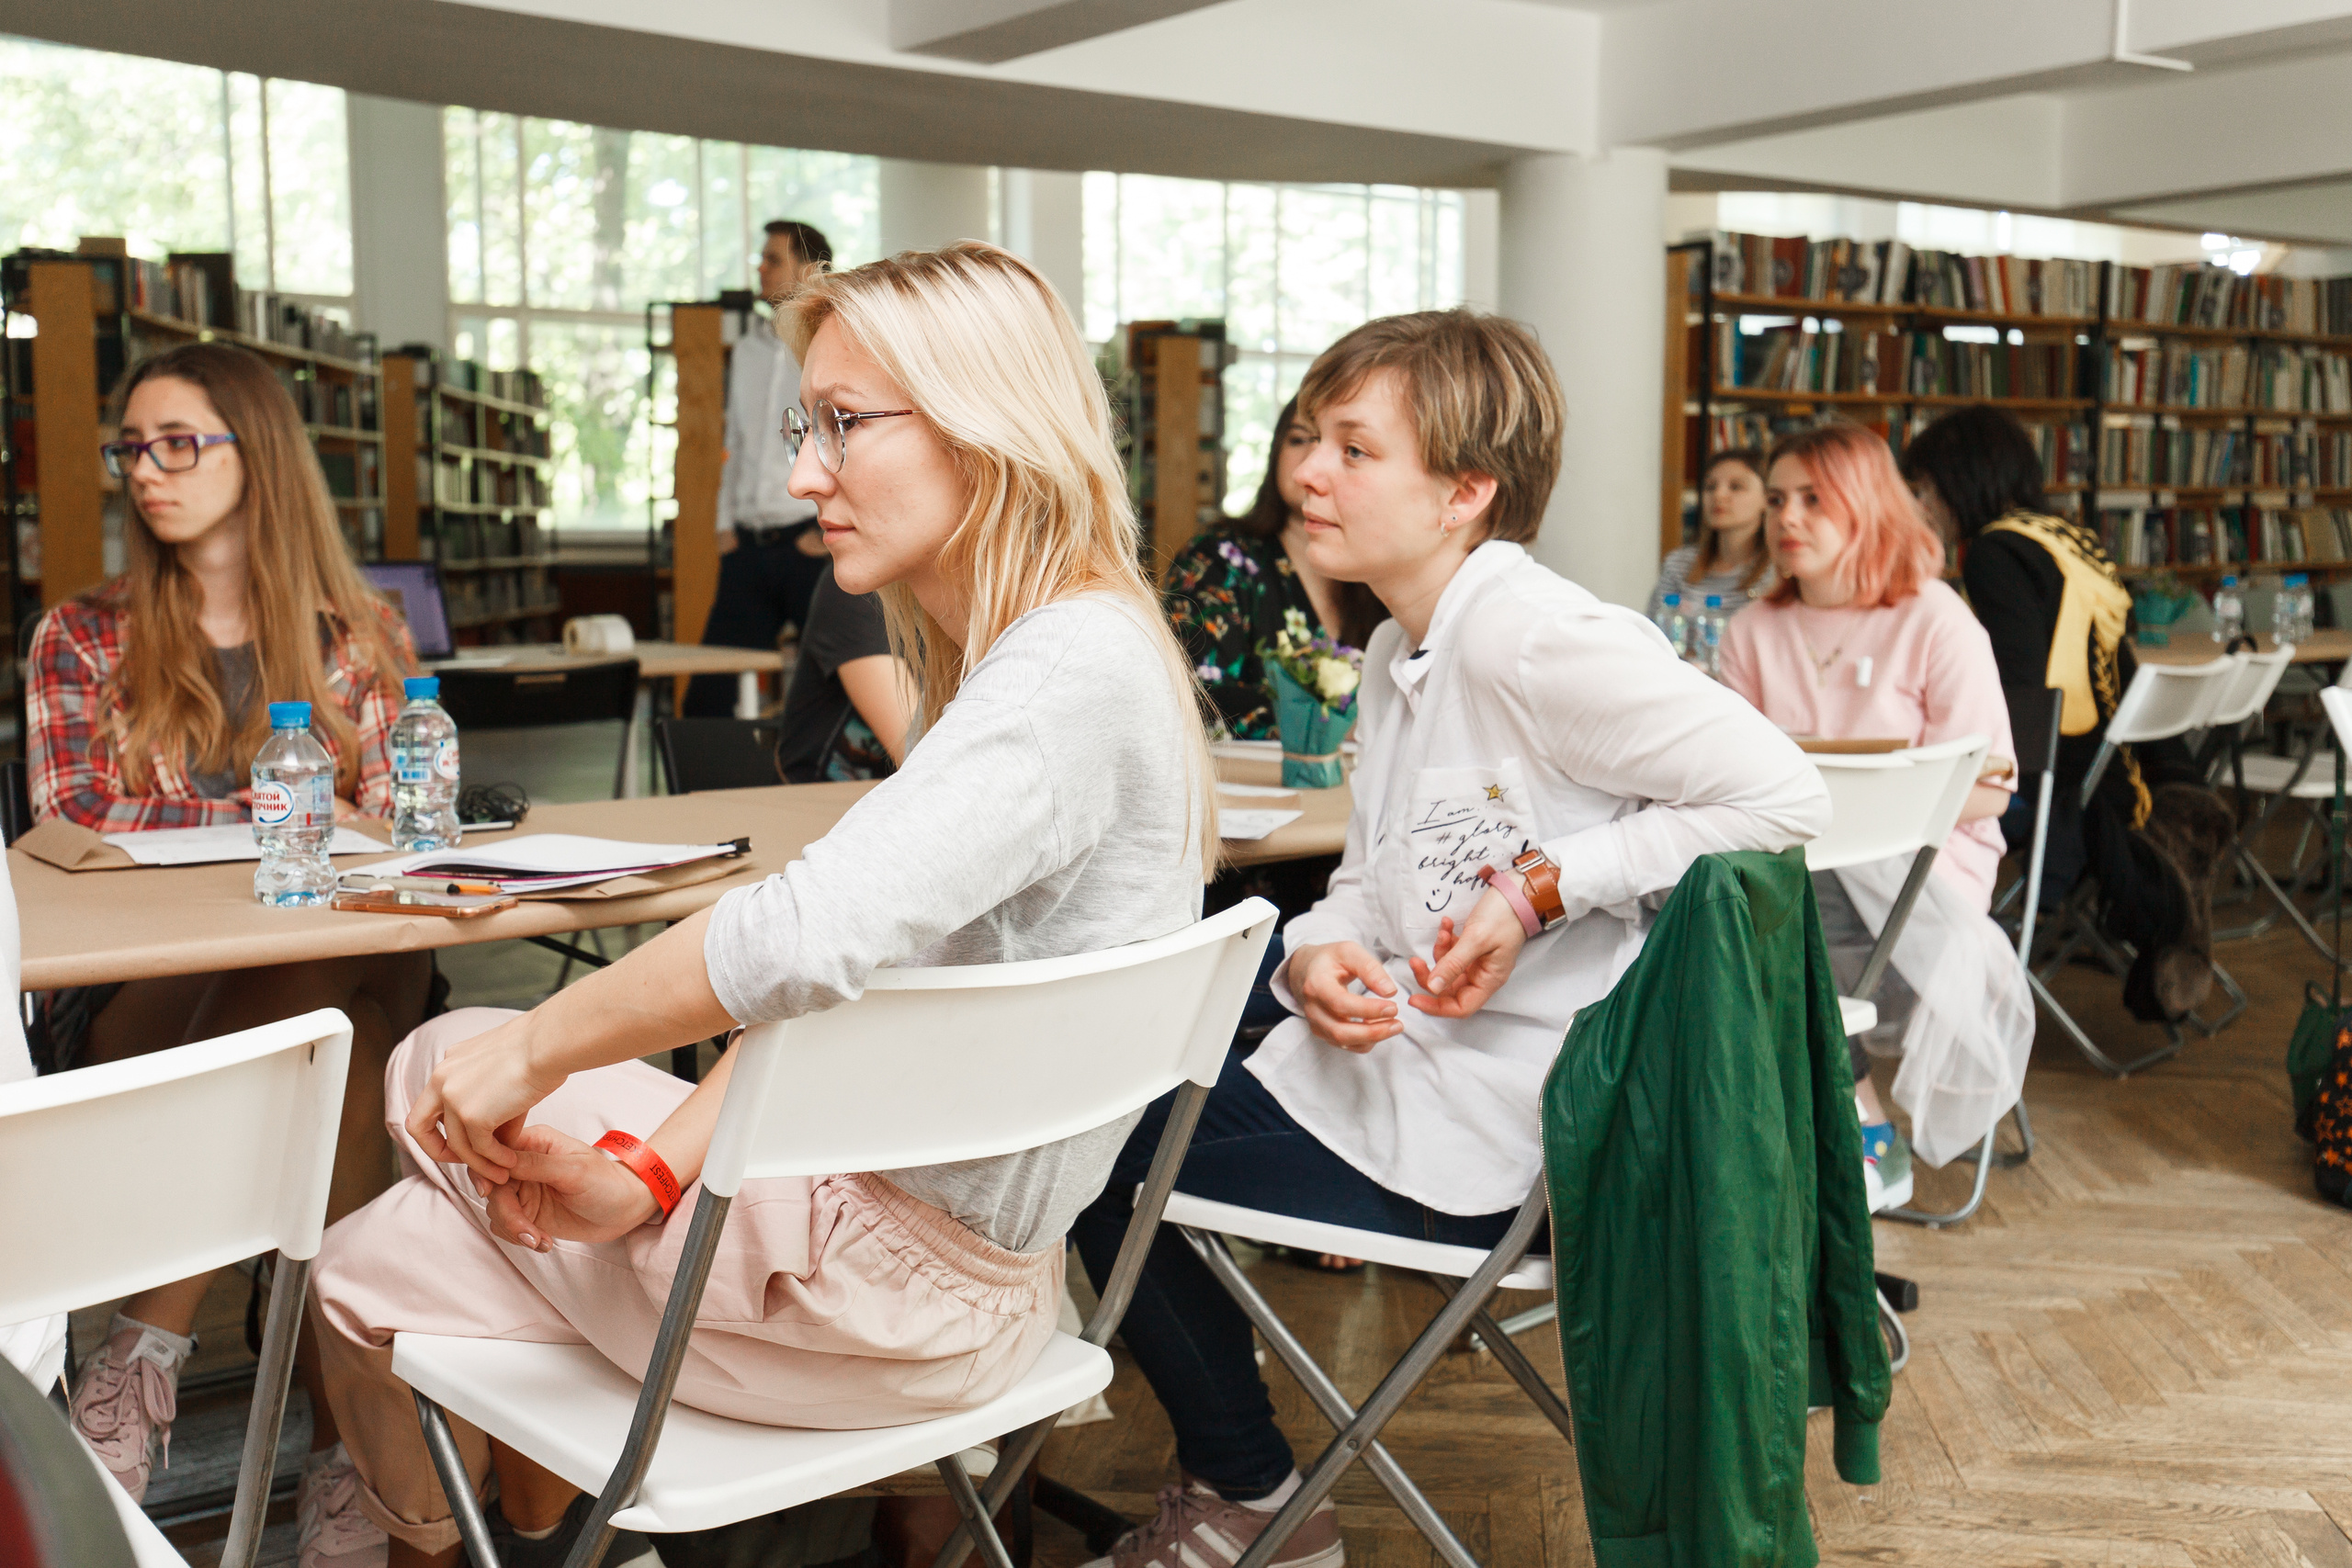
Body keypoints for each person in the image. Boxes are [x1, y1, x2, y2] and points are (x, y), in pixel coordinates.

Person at [301, 242, 1219, 1568]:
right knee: (446, 1070)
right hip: (953, 1275)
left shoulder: (1061, 674)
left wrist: (543, 1044)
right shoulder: (1085, 648)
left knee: (382, 1229)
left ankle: (519, 1536)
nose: (801, 476)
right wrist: (654, 1164)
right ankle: (568, 1526)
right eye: (807, 426)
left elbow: (797, 937)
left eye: (844, 423)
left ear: (989, 419)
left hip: (882, 1302)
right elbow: (856, 995)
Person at [1070, 310, 1832, 1568]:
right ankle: (1240, 1477)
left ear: (1465, 492)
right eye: (1310, 437)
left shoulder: (1535, 636)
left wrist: (1544, 885)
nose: (1304, 471)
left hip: (1521, 1128)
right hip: (1422, 1071)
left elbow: (1782, 793)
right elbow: (1369, 884)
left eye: (1355, 450)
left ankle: (1251, 1491)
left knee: (1088, 1139)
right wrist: (1320, 950)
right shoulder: (1391, 645)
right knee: (1130, 1055)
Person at [26, 342, 432, 1549]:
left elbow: (410, 824)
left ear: (260, 457)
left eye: (180, 442)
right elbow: (71, 823)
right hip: (144, 1007)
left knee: (335, 1020)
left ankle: (137, 1359)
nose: (146, 472)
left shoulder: (357, 631)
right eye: (131, 448)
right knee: (337, 1026)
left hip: (309, 1011)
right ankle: (352, 1447)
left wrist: (343, 824)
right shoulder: (83, 635)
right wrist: (294, 811)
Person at [1718, 422, 2027, 1201]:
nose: (1787, 518)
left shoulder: (1933, 617)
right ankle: (1829, 1125)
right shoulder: (1752, 629)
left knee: (1752, 909)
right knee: (1707, 890)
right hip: (1797, 867)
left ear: (1866, 506)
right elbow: (1725, 778)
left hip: (1919, 884)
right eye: (1779, 499)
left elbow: (1992, 788)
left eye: (1815, 500)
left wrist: (1872, 803)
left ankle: (1849, 1126)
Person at [1902, 404, 2228, 1022]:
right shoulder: (2068, 537)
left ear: (1957, 481)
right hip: (2119, 778)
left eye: (1920, 489)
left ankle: (1917, 983)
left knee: (1907, 804)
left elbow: (2021, 690)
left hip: (2057, 788)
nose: (1915, 507)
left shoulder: (1995, 552)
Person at [1163, 398, 1386, 739]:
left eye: (1349, 449)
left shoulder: (1384, 569)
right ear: (1275, 453)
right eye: (1299, 439)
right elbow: (1192, 697)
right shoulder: (1219, 558)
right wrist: (1335, 729)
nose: (1313, 461)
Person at [684, 219, 837, 717]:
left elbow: (845, 439)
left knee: (841, 685)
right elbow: (734, 444)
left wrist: (824, 527)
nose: (761, 267)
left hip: (809, 545)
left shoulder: (832, 344)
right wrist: (723, 524)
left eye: (773, 259)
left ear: (809, 269)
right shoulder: (747, 352)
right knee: (709, 694)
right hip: (748, 547)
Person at [773, 558, 914, 782]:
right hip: (814, 804)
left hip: (901, 802)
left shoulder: (974, 599)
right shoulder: (858, 583)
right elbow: (918, 752)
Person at [1646, 446, 1772, 622]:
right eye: (1710, 487)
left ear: (1768, 498)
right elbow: (1652, 633)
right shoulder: (1679, 564)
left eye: (1736, 487)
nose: (1718, 495)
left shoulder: (1778, 572)